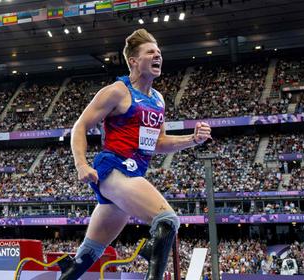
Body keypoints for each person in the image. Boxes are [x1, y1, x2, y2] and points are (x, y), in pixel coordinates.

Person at [57, 29, 212, 280]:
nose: (158, 55)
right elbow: (80, 126)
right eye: (150, 52)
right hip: (114, 170)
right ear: (133, 61)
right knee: (167, 221)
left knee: (87, 256)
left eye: (159, 52)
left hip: (131, 176)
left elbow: (159, 143)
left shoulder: (158, 100)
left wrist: (192, 139)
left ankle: (68, 272)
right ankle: (151, 259)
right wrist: (81, 164)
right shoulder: (117, 91)